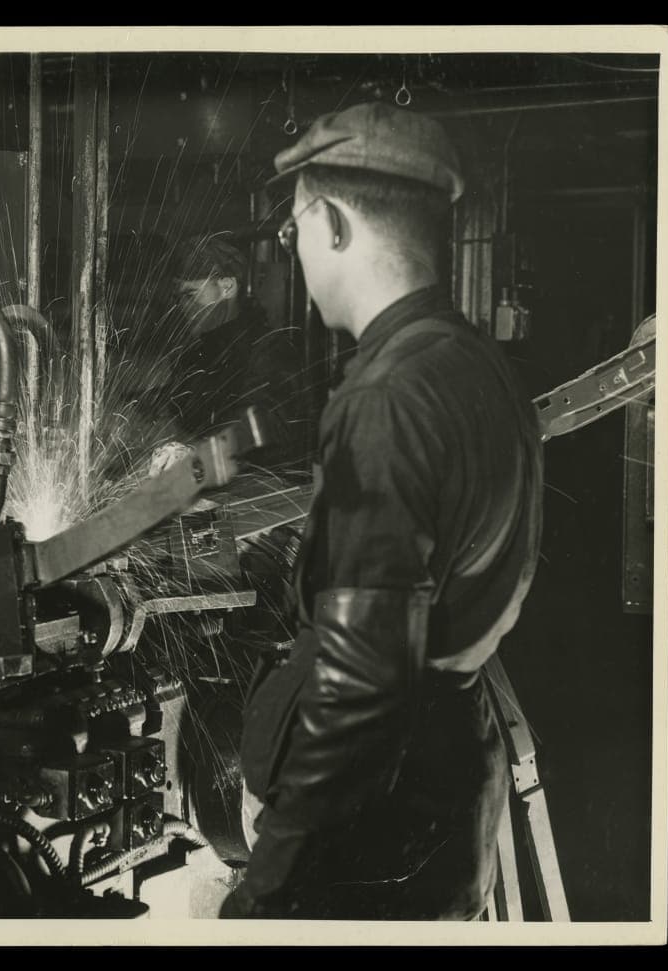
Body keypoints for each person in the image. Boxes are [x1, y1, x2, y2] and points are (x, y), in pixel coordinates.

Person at [222, 102, 544, 919]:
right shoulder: (481, 369)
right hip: (443, 810)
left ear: (329, 222)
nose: (294, 258)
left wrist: (266, 889)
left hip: (366, 846)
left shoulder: (388, 399)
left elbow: (361, 689)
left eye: (293, 234)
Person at [143, 234, 300, 475]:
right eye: (178, 297)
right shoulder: (198, 352)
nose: (182, 307)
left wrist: (200, 451)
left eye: (190, 294)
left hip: (259, 490)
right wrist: (135, 415)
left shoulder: (269, 348)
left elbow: (265, 421)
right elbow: (178, 405)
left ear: (227, 287)